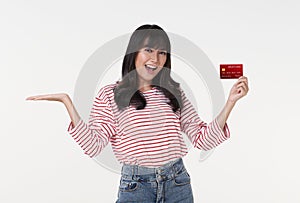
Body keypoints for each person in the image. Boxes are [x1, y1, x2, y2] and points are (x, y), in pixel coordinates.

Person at [26, 24, 249, 203]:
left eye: (162, 52)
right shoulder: (110, 95)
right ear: (134, 53)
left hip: (177, 183)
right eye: (149, 50)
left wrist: (230, 103)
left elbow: (202, 140)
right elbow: (93, 145)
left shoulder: (175, 92)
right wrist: (67, 103)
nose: (156, 58)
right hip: (136, 188)